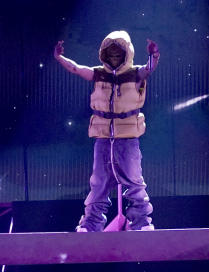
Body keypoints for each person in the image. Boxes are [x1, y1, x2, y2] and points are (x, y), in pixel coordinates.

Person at [53, 31, 160, 232]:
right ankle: (91, 224)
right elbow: (76, 69)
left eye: (118, 54)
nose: (114, 58)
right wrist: (59, 57)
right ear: (104, 54)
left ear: (126, 54)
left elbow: (149, 69)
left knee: (135, 183)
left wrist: (154, 55)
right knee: (99, 184)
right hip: (103, 138)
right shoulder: (98, 74)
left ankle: (142, 223)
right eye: (110, 54)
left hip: (127, 138)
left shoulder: (135, 74)